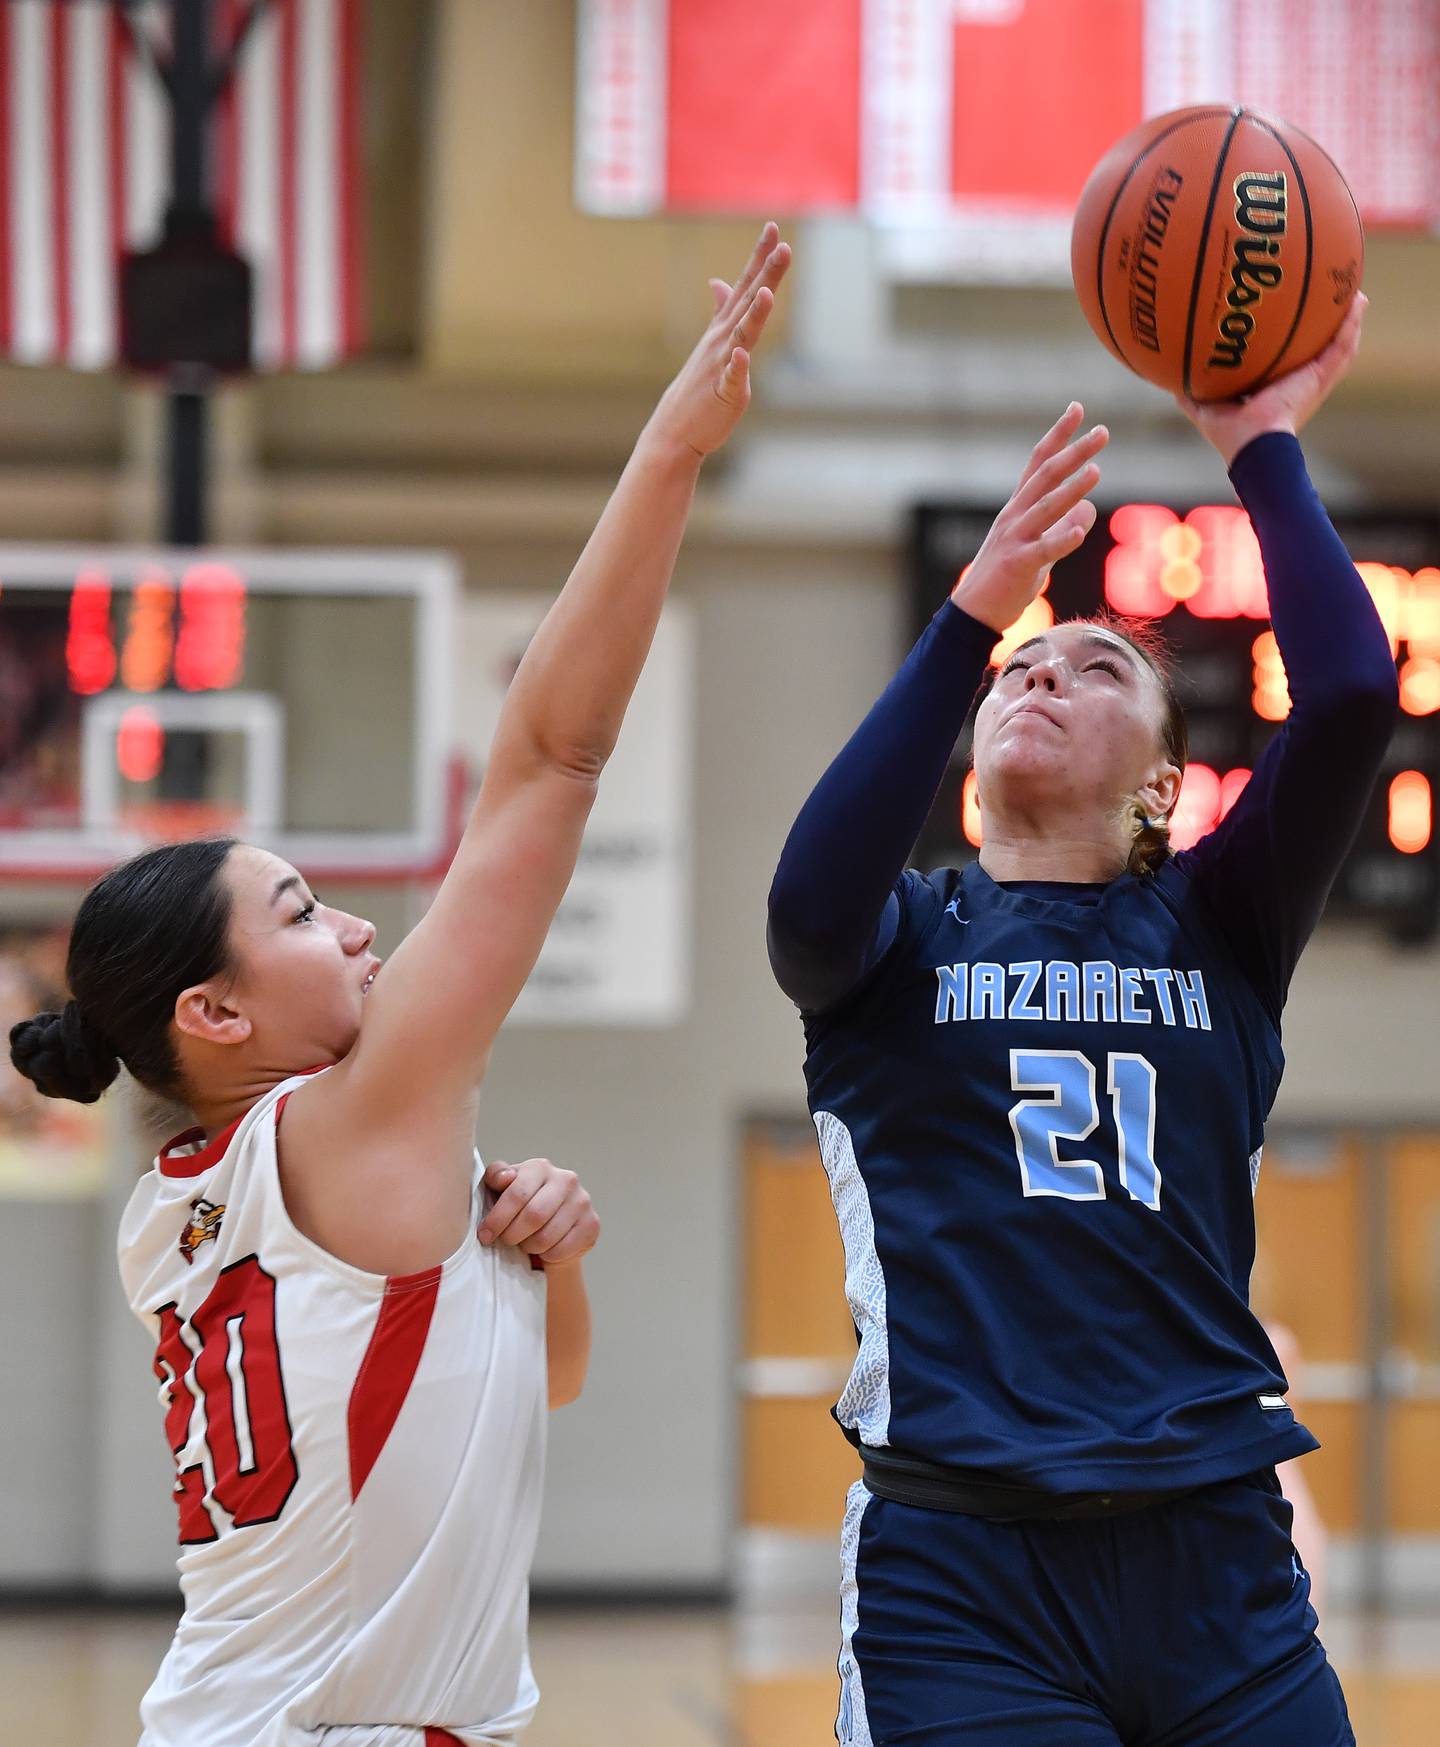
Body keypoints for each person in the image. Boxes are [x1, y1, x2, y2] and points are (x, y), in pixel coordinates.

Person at [10, 225, 790, 1747]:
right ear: (213, 1016)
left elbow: (537, 1388)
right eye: (302, 912)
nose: (363, 932)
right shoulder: (350, 1129)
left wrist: (545, 1262)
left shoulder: (185, 1203)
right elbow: (551, 758)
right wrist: (668, 455)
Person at [766, 295, 1388, 1747]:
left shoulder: (1219, 924)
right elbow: (802, 901)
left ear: (1166, 788)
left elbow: (1354, 692)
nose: (1041, 671)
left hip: (1220, 1565)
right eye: (1019, 670)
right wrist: (972, 610)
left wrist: (1265, 449)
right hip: (965, 1573)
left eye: (1097, 667)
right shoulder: (902, 939)